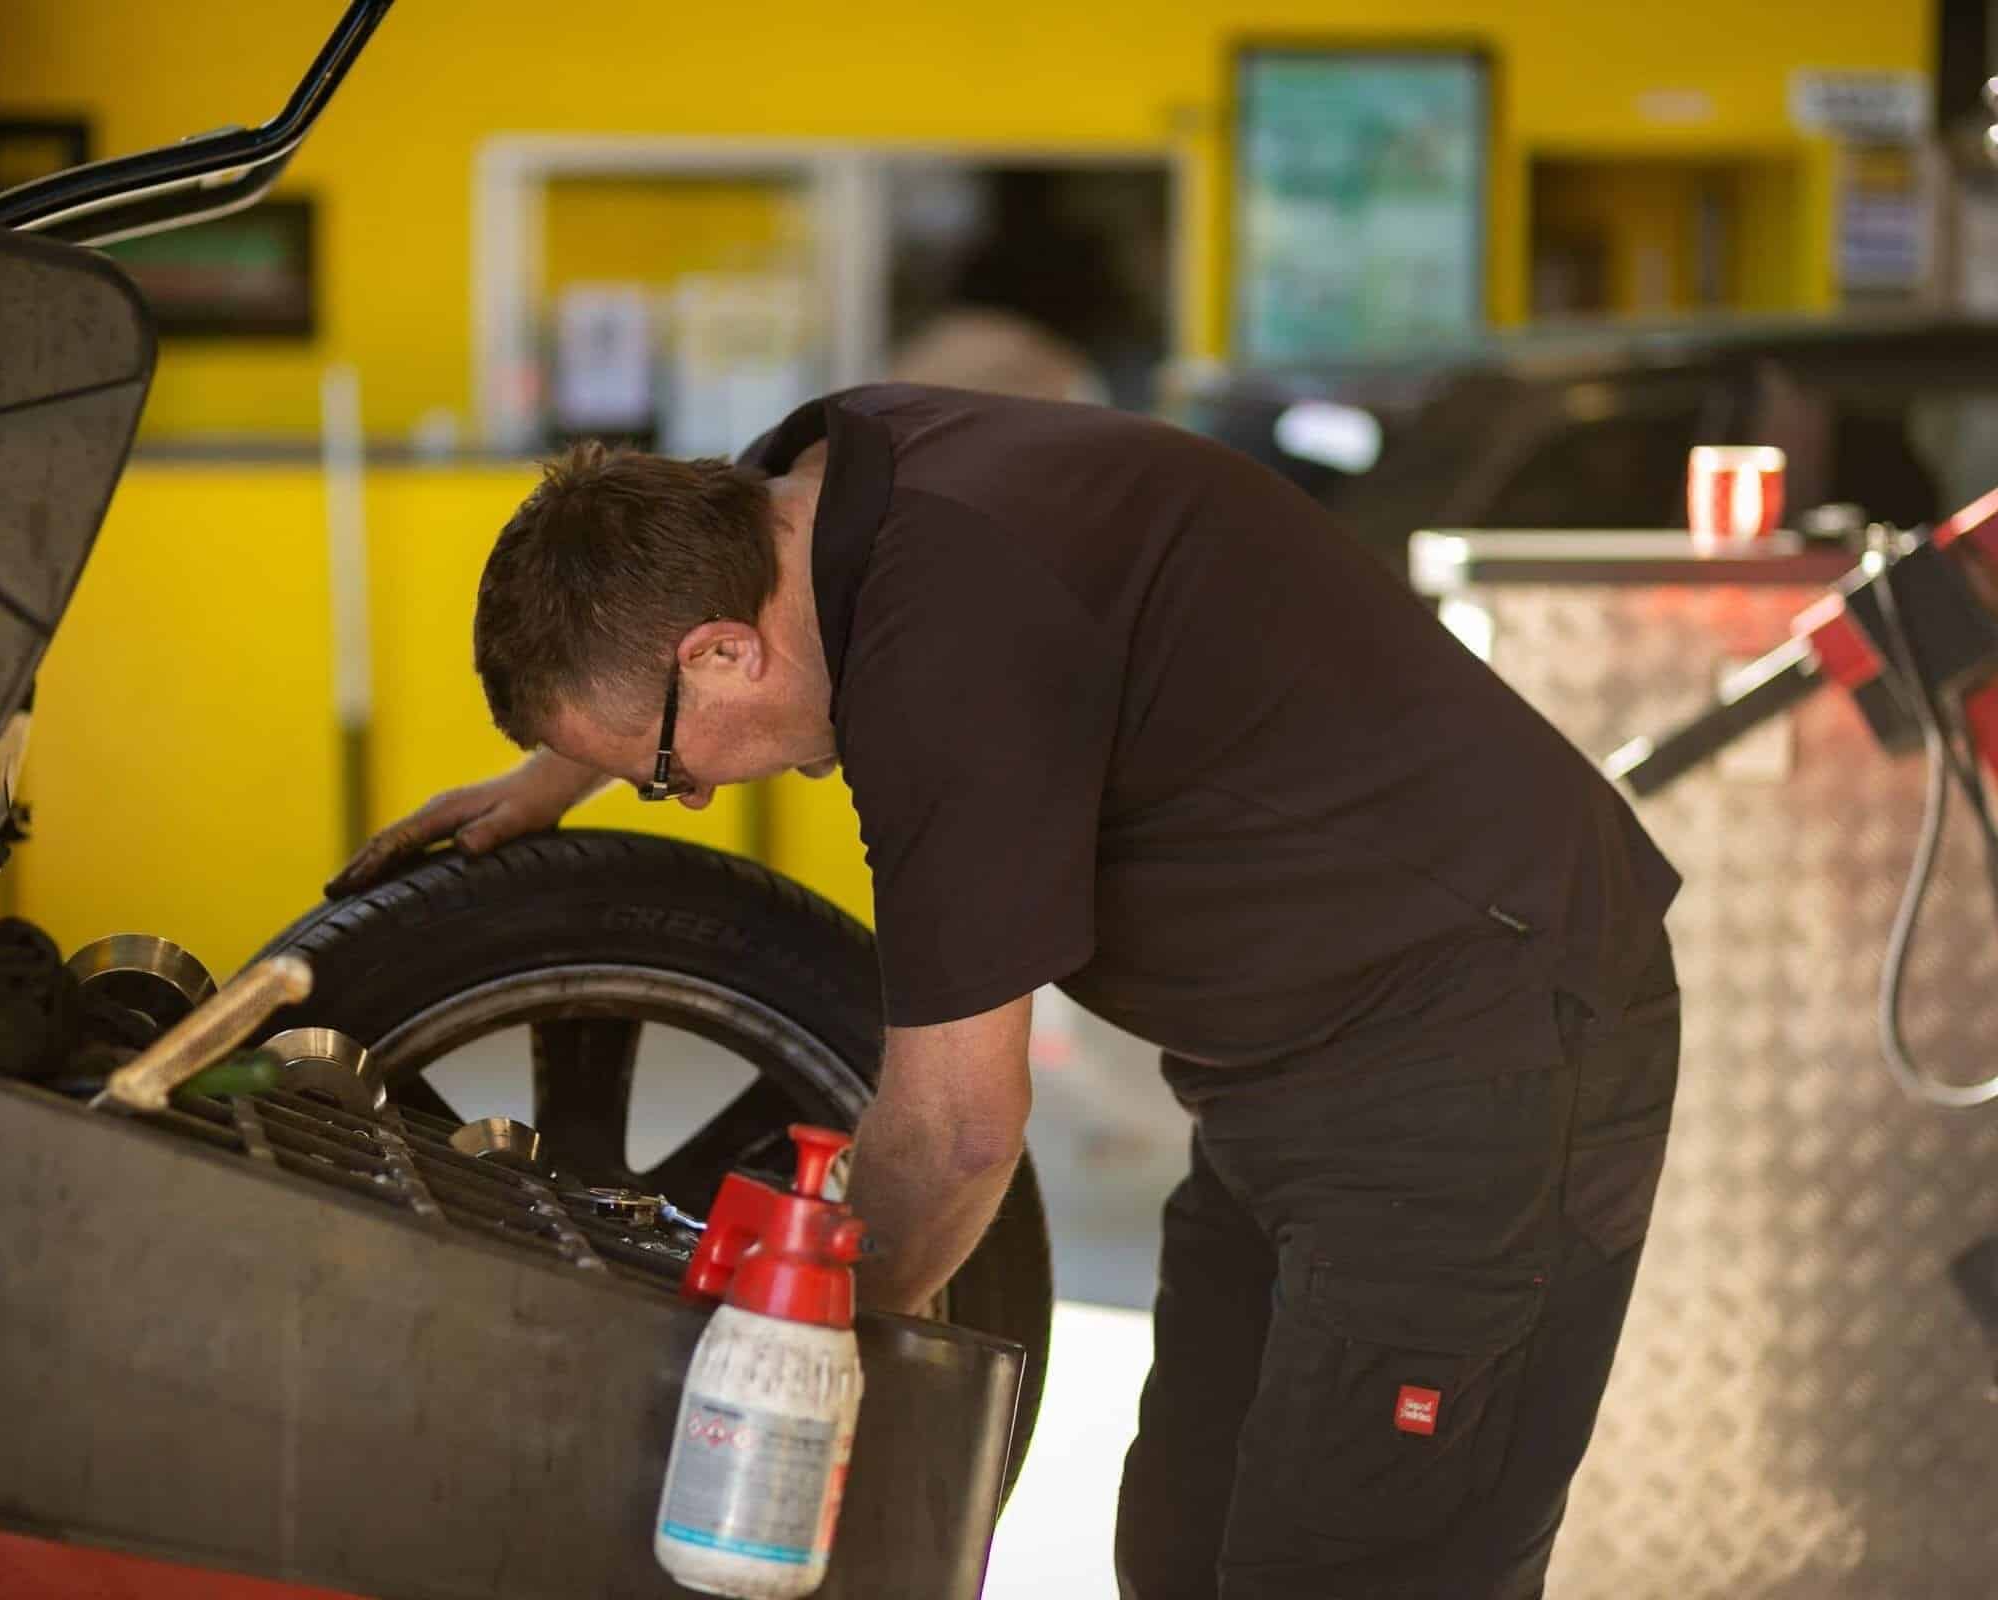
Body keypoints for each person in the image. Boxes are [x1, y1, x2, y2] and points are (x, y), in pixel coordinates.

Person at [330, 385, 1682, 1599]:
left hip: (1482, 1050)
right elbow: (663, 584)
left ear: (726, 653)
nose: (681, 797)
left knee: (1347, 1569)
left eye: (662, 770)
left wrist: (797, 1370)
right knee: (1188, 1549)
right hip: (1292, 1071)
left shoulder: (947, 663)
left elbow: (957, 1132)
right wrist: (556, 774)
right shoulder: (809, 483)